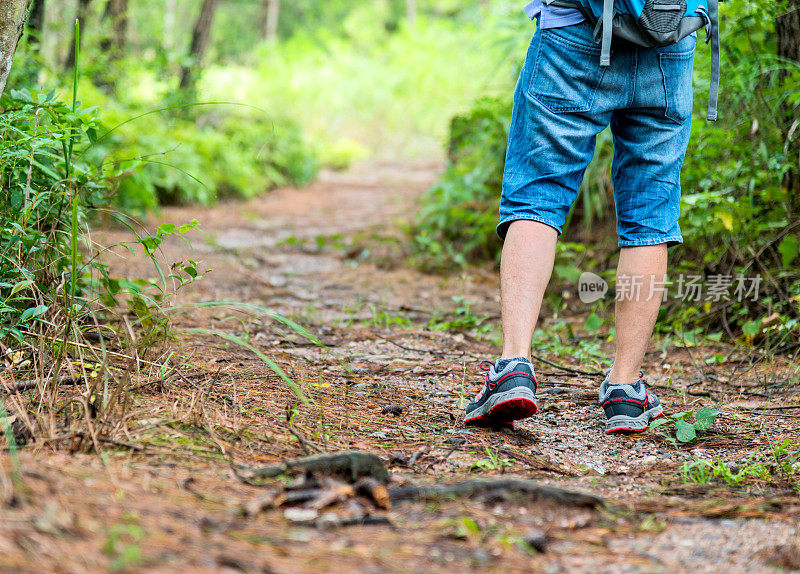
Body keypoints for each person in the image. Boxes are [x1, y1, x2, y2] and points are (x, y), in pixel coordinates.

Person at [464, 0, 699, 433]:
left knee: (538, 197)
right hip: (670, 42)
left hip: (574, 32)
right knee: (649, 217)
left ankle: (514, 367)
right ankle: (626, 388)